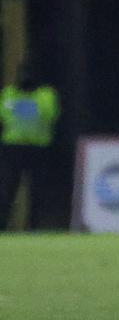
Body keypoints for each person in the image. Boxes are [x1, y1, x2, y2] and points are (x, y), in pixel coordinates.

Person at [0, 66, 60, 230]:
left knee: (38, 191)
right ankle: (3, 226)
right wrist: (30, 106)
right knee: (7, 189)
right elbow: (4, 114)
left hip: (38, 148)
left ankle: (34, 226)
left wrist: (21, 106)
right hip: (13, 148)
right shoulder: (9, 93)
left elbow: (48, 114)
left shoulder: (47, 95)